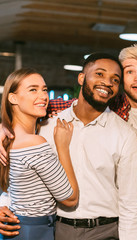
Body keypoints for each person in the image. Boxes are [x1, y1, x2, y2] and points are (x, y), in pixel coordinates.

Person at [0, 53, 137, 240]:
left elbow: (130, 205)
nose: (107, 82)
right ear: (82, 78)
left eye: (115, 80)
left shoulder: (126, 135)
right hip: (57, 230)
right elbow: (20, 178)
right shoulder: (46, 125)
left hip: (105, 231)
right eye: (100, 74)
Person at [0, 68, 79, 240]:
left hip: (18, 228)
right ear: (12, 98)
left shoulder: (7, 139)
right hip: (34, 231)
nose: (43, 96)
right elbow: (70, 198)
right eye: (33, 89)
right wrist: (62, 146)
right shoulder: (34, 143)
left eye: (44, 89)